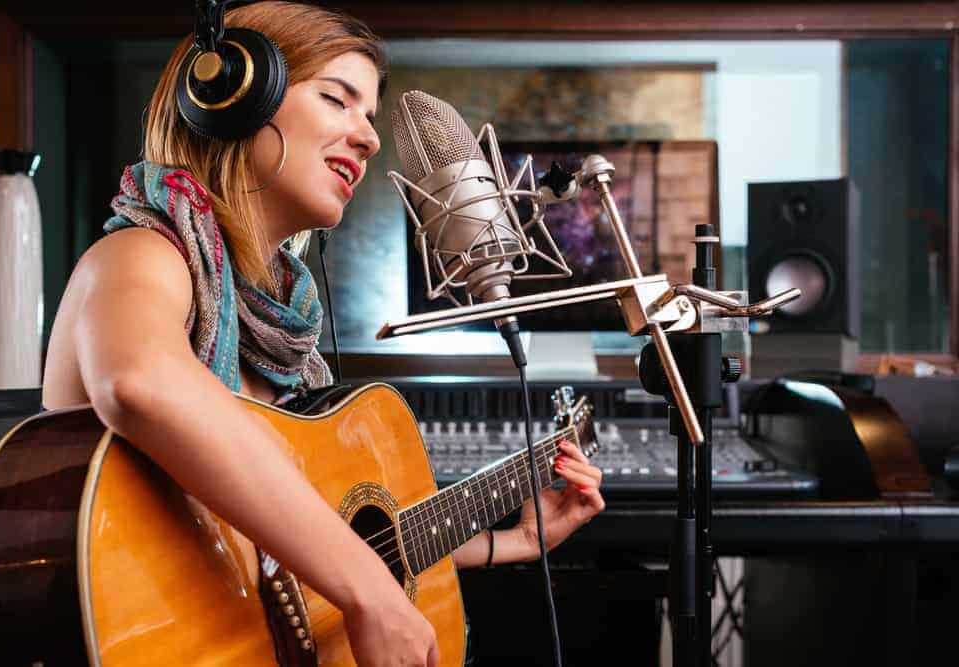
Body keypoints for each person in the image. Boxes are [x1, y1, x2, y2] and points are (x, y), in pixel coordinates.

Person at [40, 3, 605, 665]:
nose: (368, 137)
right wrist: (367, 589)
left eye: (369, 115)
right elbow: (138, 383)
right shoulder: (142, 255)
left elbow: (314, 544)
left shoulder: (288, 331)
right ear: (233, 97)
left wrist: (515, 541)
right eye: (338, 100)